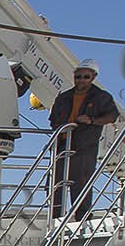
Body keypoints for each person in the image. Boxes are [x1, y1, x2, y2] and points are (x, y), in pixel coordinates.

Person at [48, 59, 119, 220]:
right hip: (62, 144)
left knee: (81, 182)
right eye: (78, 76)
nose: (81, 80)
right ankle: (55, 217)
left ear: (93, 77)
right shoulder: (64, 97)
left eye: (85, 77)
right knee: (55, 182)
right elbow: (52, 119)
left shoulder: (101, 97)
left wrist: (92, 120)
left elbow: (112, 116)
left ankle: (82, 217)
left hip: (84, 146)